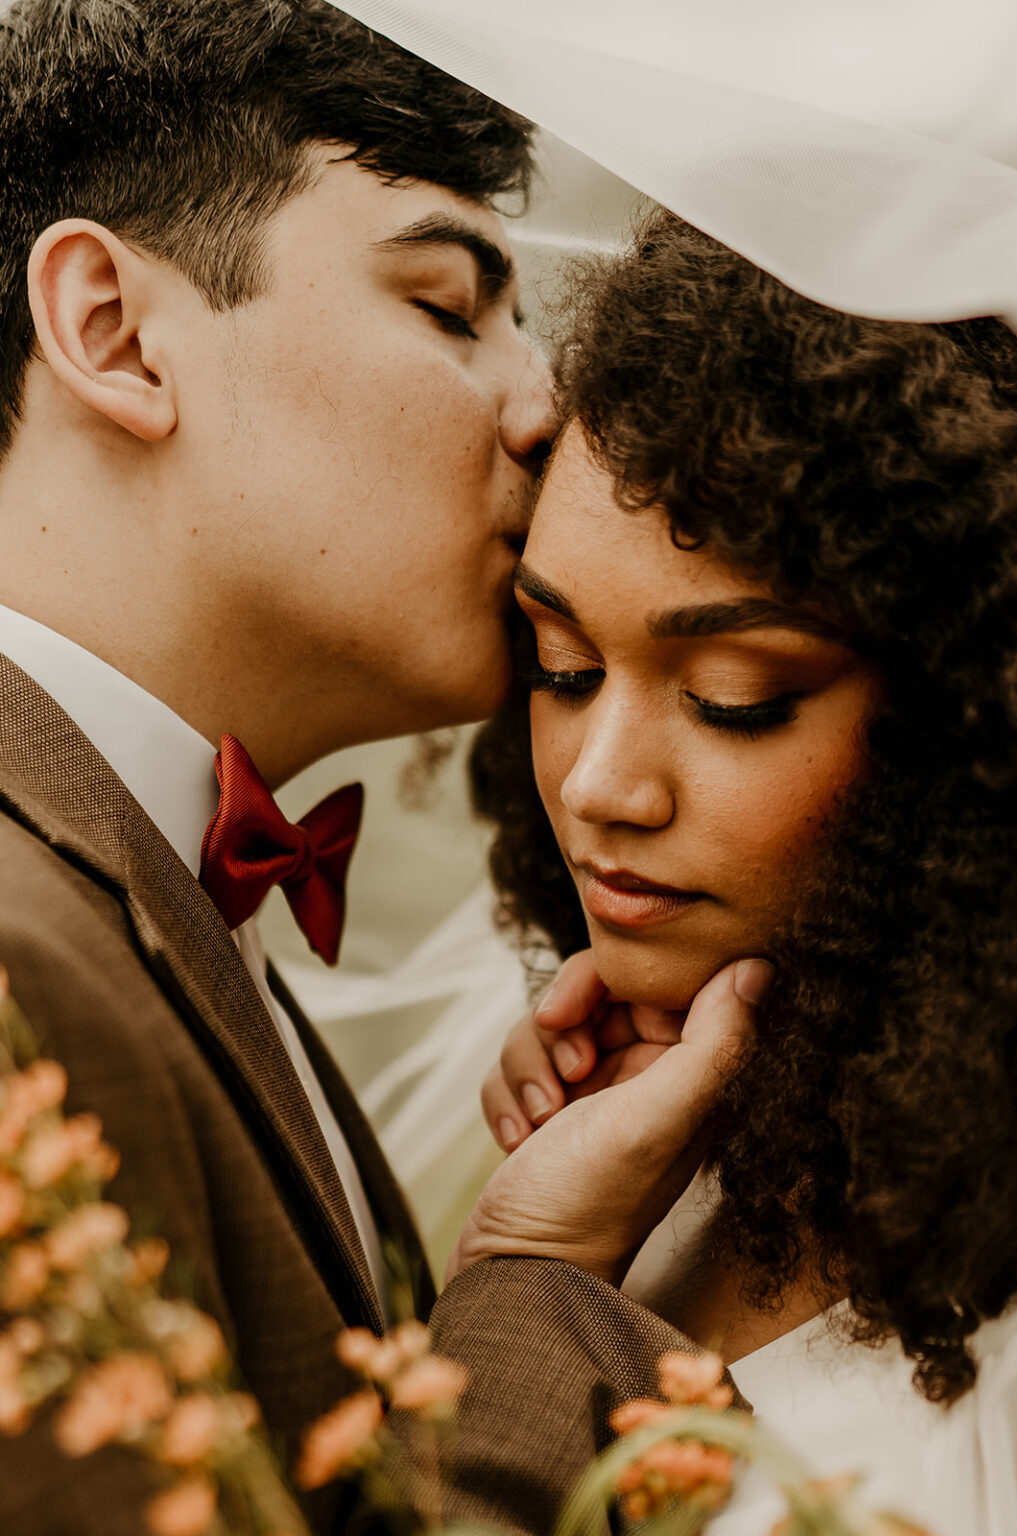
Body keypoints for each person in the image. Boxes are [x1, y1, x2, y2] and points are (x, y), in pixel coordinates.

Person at [0, 6, 769, 1532]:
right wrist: (541, 1287)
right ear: (111, 328)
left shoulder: (141, 897)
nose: (544, 407)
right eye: (445, 304)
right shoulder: (18, 963)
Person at [470, 210, 1017, 1534]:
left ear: (972, 727)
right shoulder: (652, 1156)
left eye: (734, 699)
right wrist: (541, 1267)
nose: (601, 783)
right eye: (559, 668)